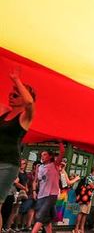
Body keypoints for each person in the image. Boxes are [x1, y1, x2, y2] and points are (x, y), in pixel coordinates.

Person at [0, 70, 35, 232]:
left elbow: (30, 103)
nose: (11, 96)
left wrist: (16, 79)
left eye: (16, 94)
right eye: (11, 93)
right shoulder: (4, 112)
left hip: (8, 164)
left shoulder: (24, 117)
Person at [31, 143, 65, 233]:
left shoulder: (55, 164)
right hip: (41, 195)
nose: (42, 156)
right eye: (41, 155)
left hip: (51, 195)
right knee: (46, 221)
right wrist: (34, 191)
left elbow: (62, 152)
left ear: (50, 156)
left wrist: (60, 141)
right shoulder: (39, 167)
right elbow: (35, 181)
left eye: (45, 154)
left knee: (39, 217)